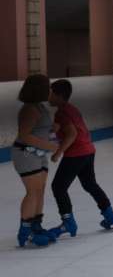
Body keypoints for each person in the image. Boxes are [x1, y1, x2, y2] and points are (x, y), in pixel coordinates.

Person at [47, 79, 113, 239]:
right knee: (89, 184)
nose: (48, 96)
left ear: (59, 95)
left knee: (58, 187)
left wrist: (58, 153)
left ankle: (68, 222)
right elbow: (62, 130)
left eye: (51, 93)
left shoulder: (61, 112)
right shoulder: (71, 109)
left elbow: (72, 134)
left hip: (76, 153)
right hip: (88, 150)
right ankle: (111, 216)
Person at [12, 75, 60, 247]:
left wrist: (53, 130)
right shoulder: (29, 110)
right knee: (32, 192)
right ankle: (25, 232)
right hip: (26, 154)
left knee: (40, 191)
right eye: (48, 87)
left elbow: (41, 129)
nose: (50, 90)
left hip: (39, 154)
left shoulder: (40, 107)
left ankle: (36, 226)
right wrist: (50, 146)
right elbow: (25, 135)